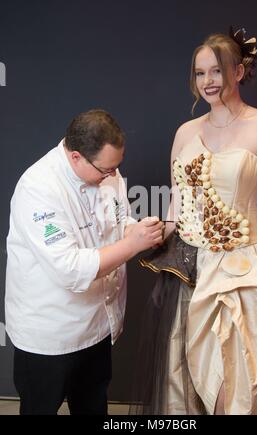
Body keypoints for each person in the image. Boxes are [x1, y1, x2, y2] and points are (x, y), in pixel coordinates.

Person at [134, 27, 257, 415]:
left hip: (243, 275)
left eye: (217, 71)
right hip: (188, 273)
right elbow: (178, 205)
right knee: (184, 387)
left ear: (239, 72)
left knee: (237, 388)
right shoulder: (185, 132)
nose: (207, 81)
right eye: (200, 72)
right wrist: (148, 233)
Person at [5, 109, 163, 415]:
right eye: (105, 170)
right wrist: (132, 244)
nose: (112, 175)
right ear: (76, 156)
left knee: (93, 407)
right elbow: (70, 268)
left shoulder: (108, 171)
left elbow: (119, 220)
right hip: (51, 333)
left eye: (116, 168)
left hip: (98, 325)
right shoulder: (38, 189)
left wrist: (141, 231)